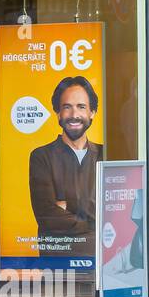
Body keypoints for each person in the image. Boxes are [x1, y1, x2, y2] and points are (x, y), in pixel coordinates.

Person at [28, 76, 101, 249]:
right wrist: (96, 221)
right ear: (58, 113)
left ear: (92, 112)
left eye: (81, 107)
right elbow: (47, 216)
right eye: (67, 107)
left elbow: (116, 213)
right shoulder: (41, 156)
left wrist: (68, 205)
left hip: (100, 255)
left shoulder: (106, 154)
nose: (74, 115)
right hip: (58, 259)